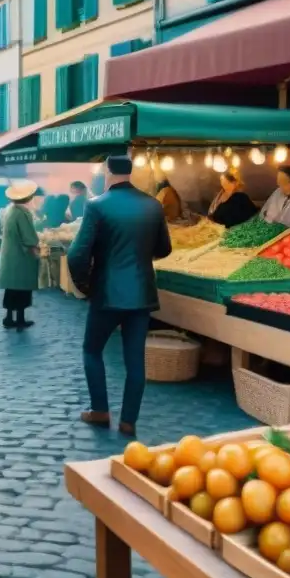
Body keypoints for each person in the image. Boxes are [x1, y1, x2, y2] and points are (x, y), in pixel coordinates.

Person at [68, 155, 172, 436]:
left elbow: (77, 253)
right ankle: (129, 421)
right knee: (135, 359)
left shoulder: (97, 205)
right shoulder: (153, 205)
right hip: (141, 293)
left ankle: (100, 410)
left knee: (92, 350)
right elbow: (164, 250)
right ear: (130, 172)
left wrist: (84, 284)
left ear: (107, 172)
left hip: (107, 293)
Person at [0, 181, 41, 330]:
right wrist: (36, 246)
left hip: (11, 256)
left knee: (11, 289)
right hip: (21, 257)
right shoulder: (23, 213)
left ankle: (9, 318)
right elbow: (28, 237)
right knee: (22, 288)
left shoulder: (10, 210)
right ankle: (20, 320)